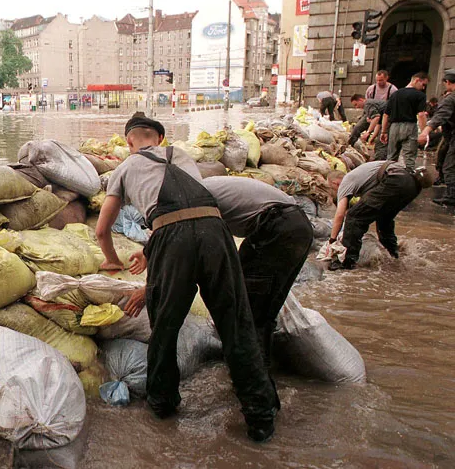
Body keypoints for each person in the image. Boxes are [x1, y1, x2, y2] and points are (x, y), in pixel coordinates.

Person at [96, 112, 279, 443]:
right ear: (160, 139)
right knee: (236, 324)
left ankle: (162, 406)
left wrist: (111, 260)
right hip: (215, 232)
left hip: (172, 239)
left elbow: (101, 229)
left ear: (128, 141)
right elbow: (188, 209)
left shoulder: (124, 168)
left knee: (165, 327)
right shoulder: (181, 155)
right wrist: (151, 249)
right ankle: (261, 416)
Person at [201, 176, 314, 370]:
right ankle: (259, 373)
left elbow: (203, 246)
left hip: (276, 228)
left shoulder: (196, 197)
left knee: (251, 312)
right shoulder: (207, 187)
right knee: (265, 309)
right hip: (297, 226)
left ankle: (253, 379)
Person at [326, 161, 429, 270]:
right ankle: (394, 254)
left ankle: (346, 261)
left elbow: (340, 215)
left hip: (394, 179)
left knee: (354, 217)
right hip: (412, 185)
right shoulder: (361, 178)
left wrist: (332, 240)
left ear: (335, 183)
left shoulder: (345, 183)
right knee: (384, 219)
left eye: (331, 188)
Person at [418, 70, 455, 205]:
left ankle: (452, 196)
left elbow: (440, 116)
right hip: (449, 136)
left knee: (450, 166)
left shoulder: (450, 98)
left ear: (448, 82)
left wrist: (425, 131)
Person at [380, 72, 429, 172]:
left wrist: (383, 131)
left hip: (394, 127)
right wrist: (424, 132)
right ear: (417, 80)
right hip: (410, 126)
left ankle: (389, 178)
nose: (423, 88)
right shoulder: (420, 95)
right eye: (423, 84)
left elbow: (386, 115)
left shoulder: (395, 94)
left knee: (391, 157)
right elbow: (421, 114)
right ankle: (408, 180)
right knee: (409, 158)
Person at [348, 94, 389, 159]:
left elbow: (376, 118)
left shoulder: (367, 104)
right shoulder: (373, 104)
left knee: (381, 146)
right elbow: (378, 123)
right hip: (388, 122)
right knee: (381, 144)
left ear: (361, 100)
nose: (357, 107)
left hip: (391, 122)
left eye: (356, 104)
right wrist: (373, 137)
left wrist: (368, 132)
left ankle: (379, 164)